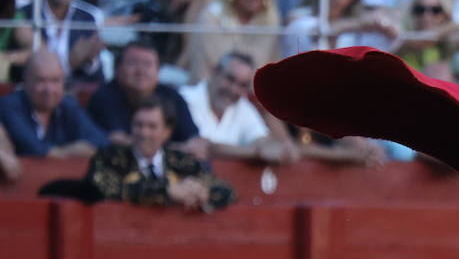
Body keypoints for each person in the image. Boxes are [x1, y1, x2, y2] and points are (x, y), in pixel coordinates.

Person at [83, 96, 235, 211]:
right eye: (138, 125)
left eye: (152, 126)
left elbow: (226, 191)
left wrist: (203, 193)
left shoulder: (182, 162)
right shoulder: (108, 157)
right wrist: (168, 191)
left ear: (167, 132)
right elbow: (102, 188)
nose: (144, 133)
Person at [180, 51, 298, 164]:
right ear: (214, 72)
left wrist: (279, 149)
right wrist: (258, 153)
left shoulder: (243, 106)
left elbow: (261, 140)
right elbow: (203, 146)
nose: (233, 90)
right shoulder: (185, 99)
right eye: (230, 79)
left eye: (242, 85)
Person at [86, 41, 203, 153]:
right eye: (133, 63)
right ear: (118, 69)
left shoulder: (172, 97)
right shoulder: (104, 97)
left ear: (158, 71)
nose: (140, 71)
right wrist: (178, 149)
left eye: (148, 64)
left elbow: (194, 142)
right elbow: (119, 142)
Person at [0, 48, 107, 157]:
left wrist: (87, 147)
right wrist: (68, 152)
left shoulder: (68, 106)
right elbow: (33, 148)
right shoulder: (9, 106)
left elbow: (101, 141)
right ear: (26, 80)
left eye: (55, 80)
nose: (49, 90)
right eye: (41, 80)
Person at [182, 0, 283, 83]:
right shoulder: (211, 18)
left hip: (254, 94)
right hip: (214, 91)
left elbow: (272, 68)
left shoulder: (271, 21)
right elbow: (203, 72)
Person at [12, 0, 105, 84]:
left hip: (74, 94)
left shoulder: (87, 18)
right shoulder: (24, 16)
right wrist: (69, 62)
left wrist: (91, 61)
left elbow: (97, 78)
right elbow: (18, 72)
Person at [281, 0, 400, 58]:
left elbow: (394, 38)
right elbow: (317, 34)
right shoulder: (300, 17)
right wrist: (358, 23)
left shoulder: (355, 25)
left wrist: (383, 25)